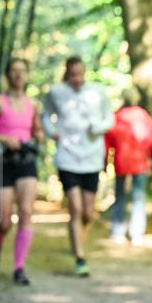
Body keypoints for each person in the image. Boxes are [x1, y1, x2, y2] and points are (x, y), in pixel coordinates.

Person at [42, 56, 113, 277]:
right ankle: (80, 258)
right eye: (73, 74)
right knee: (76, 207)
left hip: (91, 157)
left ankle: (78, 236)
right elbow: (46, 116)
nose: (77, 79)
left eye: (80, 74)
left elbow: (110, 119)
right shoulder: (56, 93)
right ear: (67, 73)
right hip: (67, 157)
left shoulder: (98, 92)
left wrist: (98, 127)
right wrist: (52, 132)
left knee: (88, 213)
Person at [0, 57, 44, 286]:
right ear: (7, 75)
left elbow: (37, 130)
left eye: (22, 71)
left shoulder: (33, 105)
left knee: (26, 212)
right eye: (14, 71)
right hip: (0, 161)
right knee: (5, 221)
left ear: (27, 75)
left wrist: (40, 136)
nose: (18, 75)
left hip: (25, 161)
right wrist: (4, 138)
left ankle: (19, 268)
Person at [104, 86, 152, 244]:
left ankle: (118, 231)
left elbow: (108, 143)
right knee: (138, 198)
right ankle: (137, 233)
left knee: (120, 195)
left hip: (121, 162)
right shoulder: (143, 116)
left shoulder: (116, 116)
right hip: (139, 163)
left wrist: (105, 162)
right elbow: (151, 141)